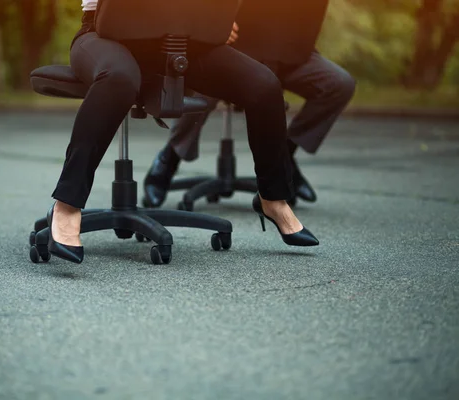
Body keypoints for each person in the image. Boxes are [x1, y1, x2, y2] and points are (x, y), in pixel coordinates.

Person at [47, 0, 319, 264]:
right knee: (119, 77)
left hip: (178, 41)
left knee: (264, 85)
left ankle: (272, 198)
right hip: (102, 35)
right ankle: (68, 204)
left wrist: (212, 23)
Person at [143, 0, 356, 208]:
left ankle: (284, 156)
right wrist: (215, 27)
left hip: (289, 54)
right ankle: (170, 158)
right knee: (204, 91)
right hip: (235, 48)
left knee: (339, 84)